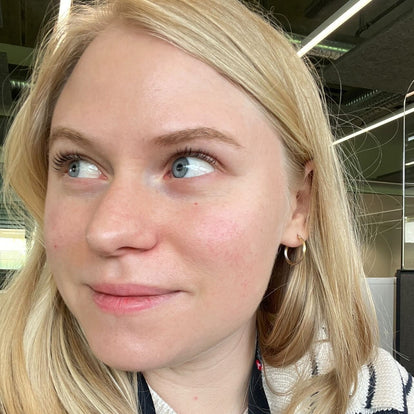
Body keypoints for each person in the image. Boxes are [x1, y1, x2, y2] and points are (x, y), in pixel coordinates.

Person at [0, 0, 412, 413]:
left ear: (298, 206)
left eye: (187, 164)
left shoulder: (374, 391)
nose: (107, 231)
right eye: (78, 165)